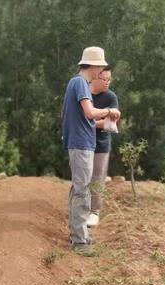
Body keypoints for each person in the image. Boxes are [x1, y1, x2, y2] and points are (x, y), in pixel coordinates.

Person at [61, 46, 120, 249]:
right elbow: (89, 112)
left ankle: (78, 234)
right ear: (93, 66)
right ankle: (79, 241)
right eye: (100, 67)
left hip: (81, 142)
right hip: (81, 143)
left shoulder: (76, 83)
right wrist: (109, 111)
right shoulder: (80, 83)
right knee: (82, 191)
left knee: (79, 188)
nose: (101, 72)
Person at [88, 65, 120, 227]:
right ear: (94, 77)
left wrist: (87, 123)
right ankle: (81, 207)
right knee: (81, 177)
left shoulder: (110, 97)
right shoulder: (84, 94)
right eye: (104, 79)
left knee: (97, 178)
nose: (107, 83)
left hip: (101, 144)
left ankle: (95, 211)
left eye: (109, 79)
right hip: (81, 142)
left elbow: (110, 123)